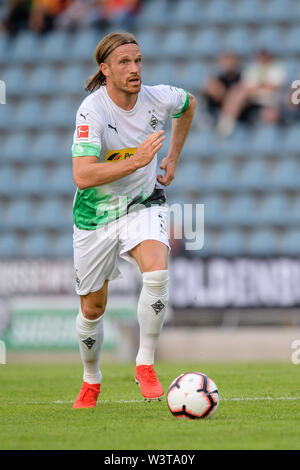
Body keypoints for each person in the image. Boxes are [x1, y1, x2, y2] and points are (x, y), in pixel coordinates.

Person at [71, 32, 196, 408]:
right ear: (105, 69)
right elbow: (82, 175)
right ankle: (91, 380)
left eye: (138, 60)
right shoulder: (92, 110)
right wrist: (137, 161)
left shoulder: (157, 97)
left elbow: (189, 104)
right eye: (124, 62)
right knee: (93, 309)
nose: (135, 69)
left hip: (142, 203)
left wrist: (172, 156)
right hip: (95, 216)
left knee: (157, 272)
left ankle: (145, 363)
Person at [216, 50, 286, 137]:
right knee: (236, 93)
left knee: (239, 94)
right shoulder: (253, 70)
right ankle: (227, 121)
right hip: (253, 100)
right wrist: (258, 87)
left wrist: (255, 88)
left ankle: (226, 122)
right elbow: (247, 86)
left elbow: (272, 88)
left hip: (269, 100)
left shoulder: (276, 69)